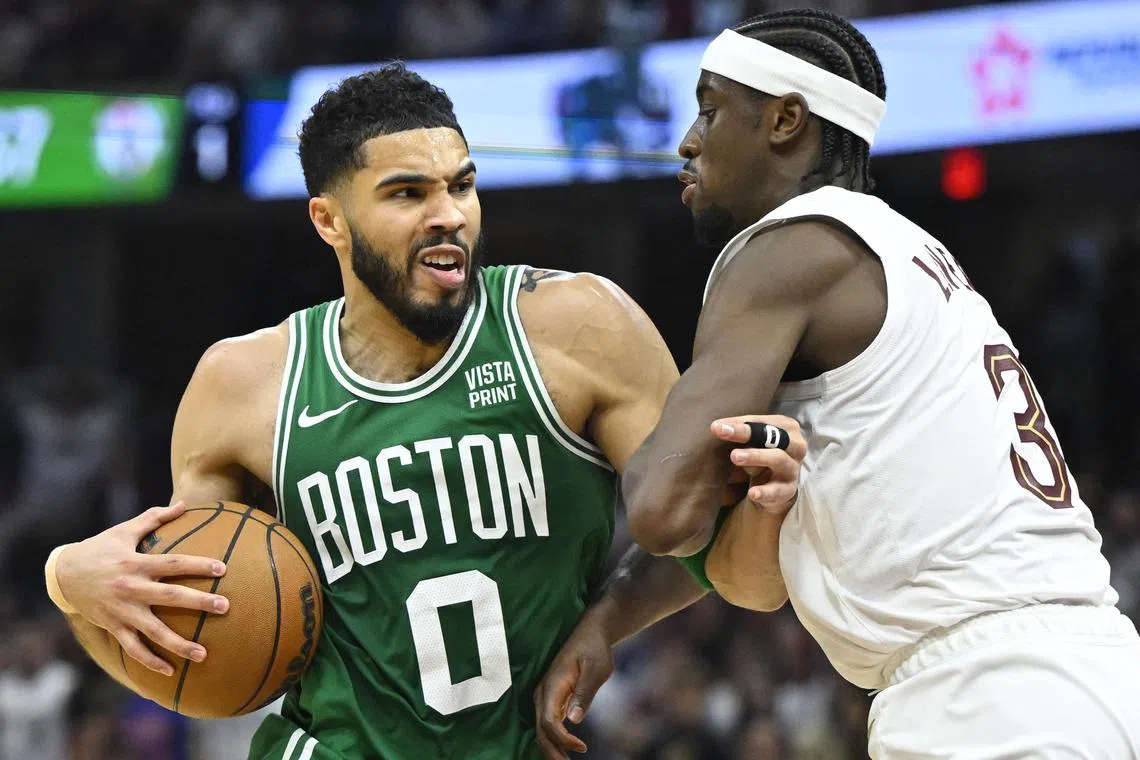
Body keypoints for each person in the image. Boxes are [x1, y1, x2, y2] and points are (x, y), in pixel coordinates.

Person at [41, 64, 804, 759]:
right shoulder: (241, 384)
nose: (449, 214)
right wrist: (70, 577)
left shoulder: (579, 327)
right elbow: (195, 629)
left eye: (461, 185)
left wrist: (617, 614)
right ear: (328, 221)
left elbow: (740, 578)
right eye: (408, 193)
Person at [540, 8, 1140, 759]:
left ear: (786, 121)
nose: (688, 141)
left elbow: (661, 509)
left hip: (988, 692)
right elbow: (720, 550)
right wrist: (610, 620)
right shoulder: (908, 250)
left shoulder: (787, 247)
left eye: (710, 109)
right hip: (1088, 669)